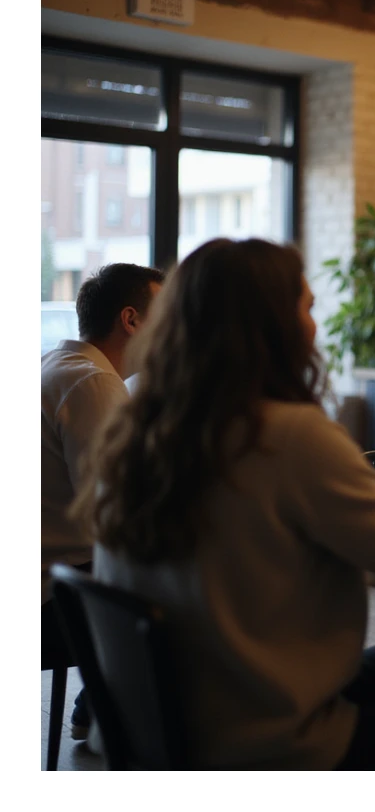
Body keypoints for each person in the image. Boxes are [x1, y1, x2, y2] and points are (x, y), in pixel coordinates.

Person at [70, 238, 375, 771]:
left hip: (170, 718)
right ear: (272, 326)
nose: (315, 326)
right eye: (306, 308)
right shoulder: (286, 433)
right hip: (264, 738)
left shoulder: (137, 429)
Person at [42, 261, 164, 746]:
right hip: (54, 598)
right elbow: (116, 515)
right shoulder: (93, 382)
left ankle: (99, 705)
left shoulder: (59, 365)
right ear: (131, 320)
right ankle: (126, 720)